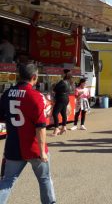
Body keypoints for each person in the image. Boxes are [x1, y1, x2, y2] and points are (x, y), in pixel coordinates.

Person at [0, 63, 56, 203]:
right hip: (34, 148)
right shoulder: (35, 96)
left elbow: (2, 117)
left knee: (7, 181)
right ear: (34, 77)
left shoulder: (7, 94)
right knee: (44, 179)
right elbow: (41, 126)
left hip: (13, 147)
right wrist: (42, 151)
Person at [51, 69, 73, 136]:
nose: (61, 74)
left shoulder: (62, 82)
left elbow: (54, 89)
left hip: (60, 98)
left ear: (65, 74)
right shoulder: (69, 82)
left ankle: (56, 128)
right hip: (66, 98)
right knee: (63, 113)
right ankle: (64, 127)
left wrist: (54, 85)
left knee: (55, 113)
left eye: (62, 73)